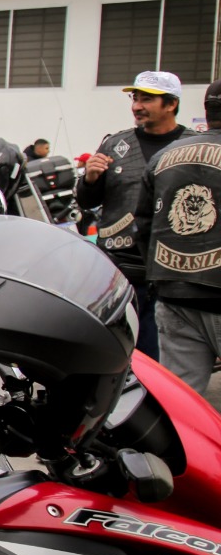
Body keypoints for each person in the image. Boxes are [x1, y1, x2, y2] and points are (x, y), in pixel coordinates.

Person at [79, 71, 190, 360]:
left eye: (147, 99)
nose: (137, 106)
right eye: (135, 98)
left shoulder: (194, 146)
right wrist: (89, 179)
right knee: (114, 355)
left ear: (171, 104)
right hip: (120, 270)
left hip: (172, 274)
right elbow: (88, 201)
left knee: (160, 360)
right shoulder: (115, 145)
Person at [136, 77, 221, 394]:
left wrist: (160, 274)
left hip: (174, 294)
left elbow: (142, 225)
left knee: (181, 405)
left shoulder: (164, 156)